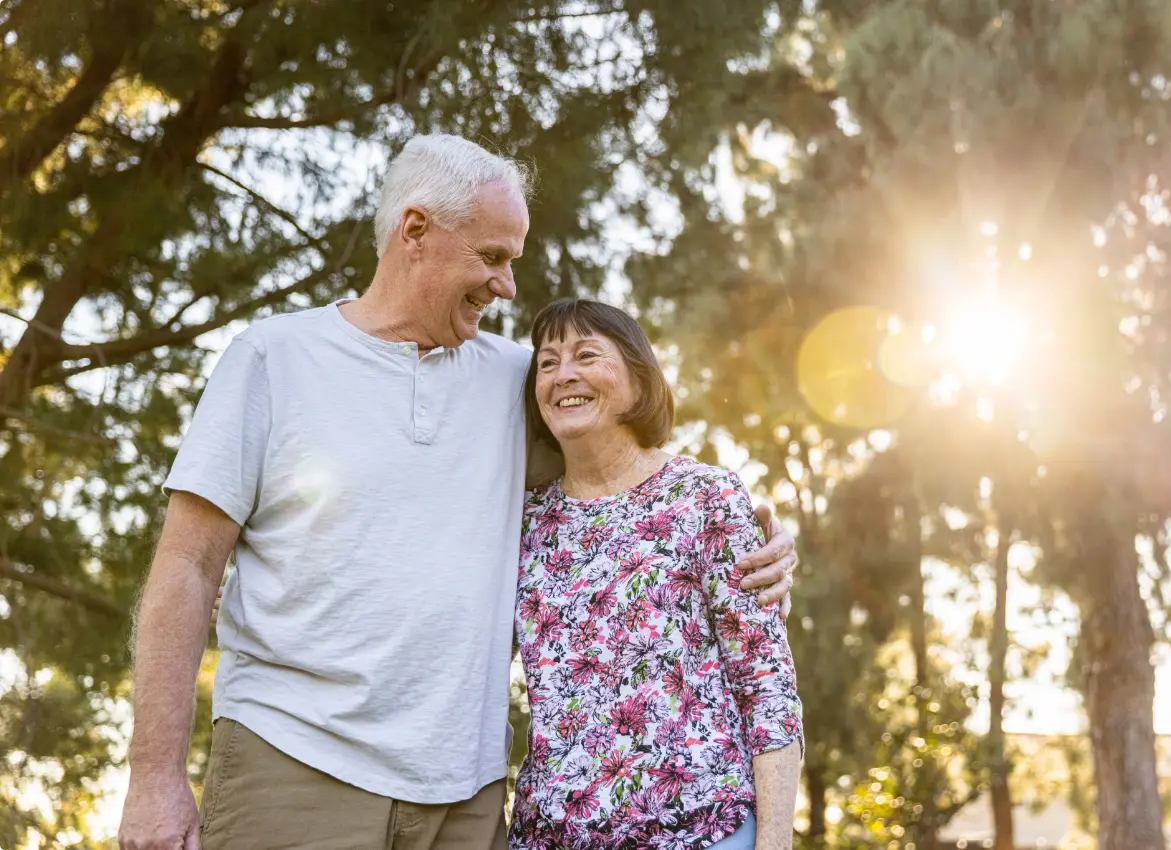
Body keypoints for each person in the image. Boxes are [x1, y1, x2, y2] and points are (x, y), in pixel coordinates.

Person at [117, 133, 797, 850]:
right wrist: (153, 777)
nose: (506, 285)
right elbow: (188, 567)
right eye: (492, 256)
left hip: (465, 800)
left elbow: (626, 483)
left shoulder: (517, 379)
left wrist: (760, 544)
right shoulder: (273, 358)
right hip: (296, 763)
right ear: (416, 231)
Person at [511, 299, 803, 850]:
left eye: (586, 354)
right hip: (548, 837)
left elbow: (766, 687)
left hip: (703, 833)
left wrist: (776, 842)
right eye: (547, 364)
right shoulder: (524, 520)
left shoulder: (703, 496)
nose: (562, 375)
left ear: (639, 379)